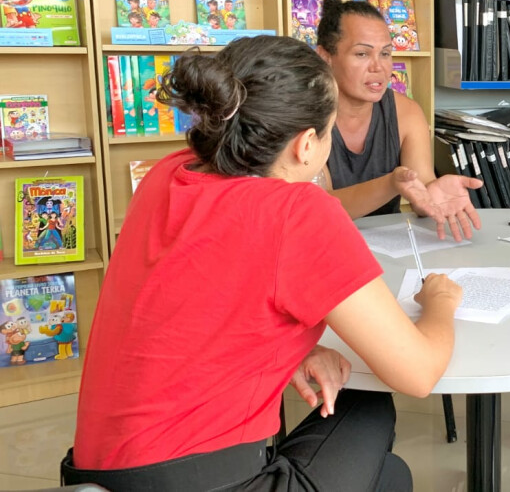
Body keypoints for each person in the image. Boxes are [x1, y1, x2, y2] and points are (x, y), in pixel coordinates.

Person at [64, 36, 463, 491]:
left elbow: (198, 296)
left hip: (98, 471)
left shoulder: (167, 174)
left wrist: (297, 351)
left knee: (391, 477)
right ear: (306, 144)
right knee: (371, 406)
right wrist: (440, 303)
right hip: (201, 480)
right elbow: (419, 373)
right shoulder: (298, 211)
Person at [315, 0, 482, 240]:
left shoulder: (407, 112)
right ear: (325, 57)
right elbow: (321, 207)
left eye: (385, 53)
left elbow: (420, 185)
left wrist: (431, 192)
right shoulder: (305, 116)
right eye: (362, 54)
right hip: (323, 246)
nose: (378, 67)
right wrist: (391, 183)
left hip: (389, 248)